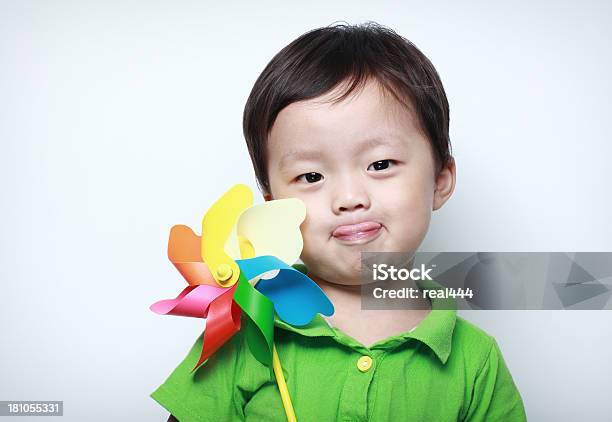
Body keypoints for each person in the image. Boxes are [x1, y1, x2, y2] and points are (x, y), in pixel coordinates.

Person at [151, 22, 527, 421]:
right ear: (273, 207)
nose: (349, 199)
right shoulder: (245, 333)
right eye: (311, 177)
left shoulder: (476, 362)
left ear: (440, 180)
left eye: (380, 164)